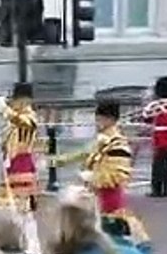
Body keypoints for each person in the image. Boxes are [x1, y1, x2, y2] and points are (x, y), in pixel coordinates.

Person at [52, 99, 148, 242]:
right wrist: (61, 160)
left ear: (109, 119)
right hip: (97, 199)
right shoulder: (103, 139)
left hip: (110, 202)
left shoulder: (118, 143)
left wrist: (92, 178)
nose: (97, 123)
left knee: (112, 242)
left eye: (100, 119)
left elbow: (118, 176)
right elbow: (85, 152)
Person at [0, 82, 42, 254]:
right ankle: (21, 244)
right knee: (7, 208)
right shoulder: (13, 122)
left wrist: (5, 110)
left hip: (23, 168)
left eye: (17, 99)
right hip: (13, 168)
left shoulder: (29, 116)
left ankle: (30, 246)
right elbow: (10, 141)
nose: (15, 102)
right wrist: (1, 146)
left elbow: (23, 123)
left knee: (22, 210)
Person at [144, 77, 167, 198]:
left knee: (158, 163)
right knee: (163, 162)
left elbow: (147, 118)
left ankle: (158, 189)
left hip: (162, 135)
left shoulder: (158, 105)